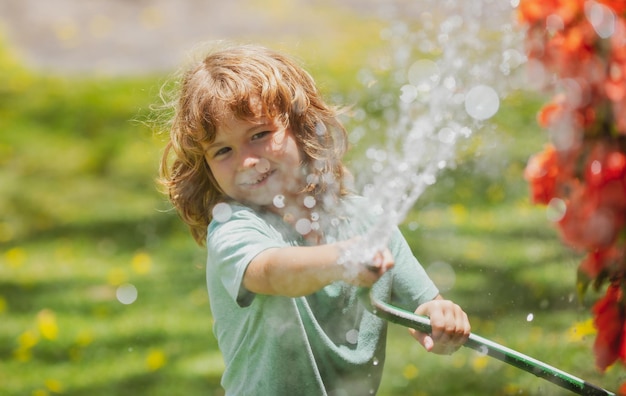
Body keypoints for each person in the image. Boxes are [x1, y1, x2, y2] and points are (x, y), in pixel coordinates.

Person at [159, 43, 470, 395]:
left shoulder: (368, 221)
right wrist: (341, 260)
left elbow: (426, 308)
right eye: (223, 150)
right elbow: (272, 272)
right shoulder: (234, 227)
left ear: (301, 127)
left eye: (259, 135)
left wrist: (442, 319)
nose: (246, 161)